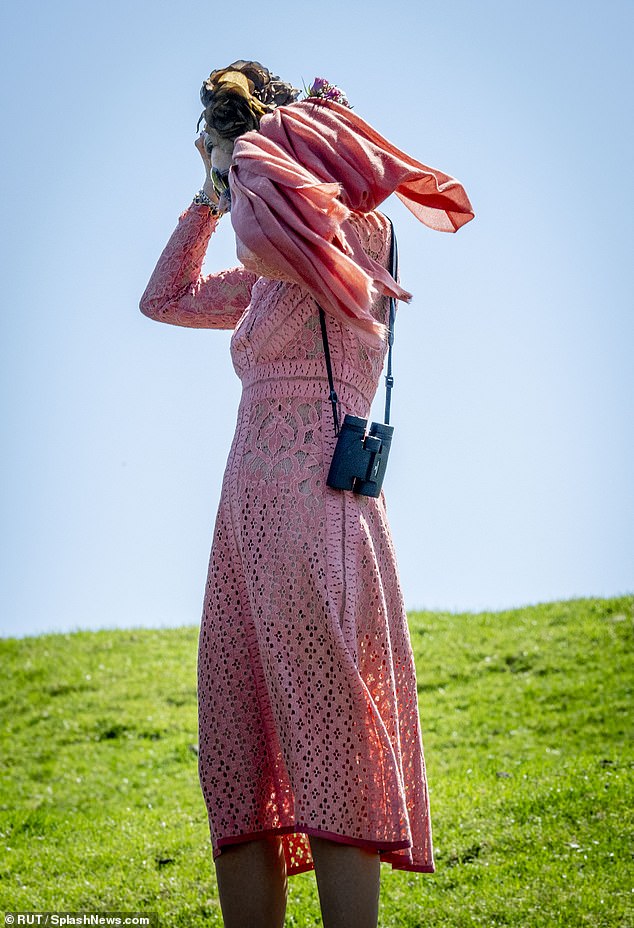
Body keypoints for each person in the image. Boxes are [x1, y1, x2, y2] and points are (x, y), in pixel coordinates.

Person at [140, 61, 474, 928]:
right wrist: (211, 197)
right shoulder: (273, 273)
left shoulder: (341, 237)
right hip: (255, 515)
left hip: (309, 508)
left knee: (328, 730)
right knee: (242, 737)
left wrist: (258, 161)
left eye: (226, 157)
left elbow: (333, 228)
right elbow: (163, 298)